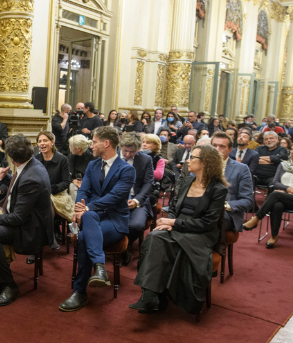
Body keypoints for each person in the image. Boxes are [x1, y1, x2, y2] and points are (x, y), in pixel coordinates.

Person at [130, 145, 228, 314]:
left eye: (193, 158)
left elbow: (207, 223)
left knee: (163, 242)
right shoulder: (188, 181)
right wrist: (169, 221)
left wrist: (174, 223)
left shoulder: (218, 189)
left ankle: (158, 295)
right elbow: (174, 207)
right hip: (179, 226)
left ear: (205, 163)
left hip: (201, 234)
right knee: (153, 237)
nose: (187, 160)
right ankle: (151, 295)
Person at [0, 135, 53, 307]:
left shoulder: (31, 177)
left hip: (30, 229)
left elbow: (18, 218)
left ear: (12, 159)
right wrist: (4, 179)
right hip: (22, 217)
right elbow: (17, 191)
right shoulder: (29, 164)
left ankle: (9, 285)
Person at [58, 126, 135, 312]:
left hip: (115, 221)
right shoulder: (92, 165)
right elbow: (84, 190)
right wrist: (79, 207)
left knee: (84, 237)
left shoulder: (126, 170)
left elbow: (115, 197)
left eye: (94, 142)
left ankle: (80, 291)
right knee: (90, 216)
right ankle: (99, 268)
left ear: (106, 143)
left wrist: (87, 207)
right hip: (93, 218)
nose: (91, 146)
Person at [242, 142, 293, 248]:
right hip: (282, 197)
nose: (292, 151)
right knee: (277, 205)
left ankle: (257, 218)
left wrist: (291, 190)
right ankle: (274, 236)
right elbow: (275, 182)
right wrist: (287, 188)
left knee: (275, 194)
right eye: (292, 149)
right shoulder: (283, 165)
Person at [118, 133, 153, 265]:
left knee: (137, 225)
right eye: (125, 151)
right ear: (121, 146)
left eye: (132, 152)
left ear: (138, 149)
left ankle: (126, 245)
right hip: (116, 197)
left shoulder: (146, 159)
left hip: (137, 197)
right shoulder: (113, 157)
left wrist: (137, 200)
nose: (127, 154)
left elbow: (149, 183)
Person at [34, 131, 73, 247]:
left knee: (47, 202)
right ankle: (39, 240)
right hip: (39, 193)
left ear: (52, 142)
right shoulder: (35, 159)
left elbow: (66, 182)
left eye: (45, 140)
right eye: (39, 141)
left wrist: (52, 189)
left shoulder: (62, 159)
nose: (42, 143)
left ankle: (48, 237)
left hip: (58, 194)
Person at [210, 132, 253, 233]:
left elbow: (247, 201)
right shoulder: (201, 165)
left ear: (230, 149)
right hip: (202, 209)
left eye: (222, 146)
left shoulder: (241, 169)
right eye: (214, 146)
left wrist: (223, 206)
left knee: (212, 219)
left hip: (227, 213)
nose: (217, 149)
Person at [67, 134, 95, 203]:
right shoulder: (71, 156)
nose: (69, 148)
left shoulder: (92, 157)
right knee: (72, 187)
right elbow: (66, 173)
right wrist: (73, 180)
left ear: (79, 149)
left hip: (90, 182)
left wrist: (85, 182)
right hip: (75, 182)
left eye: (71, 146)